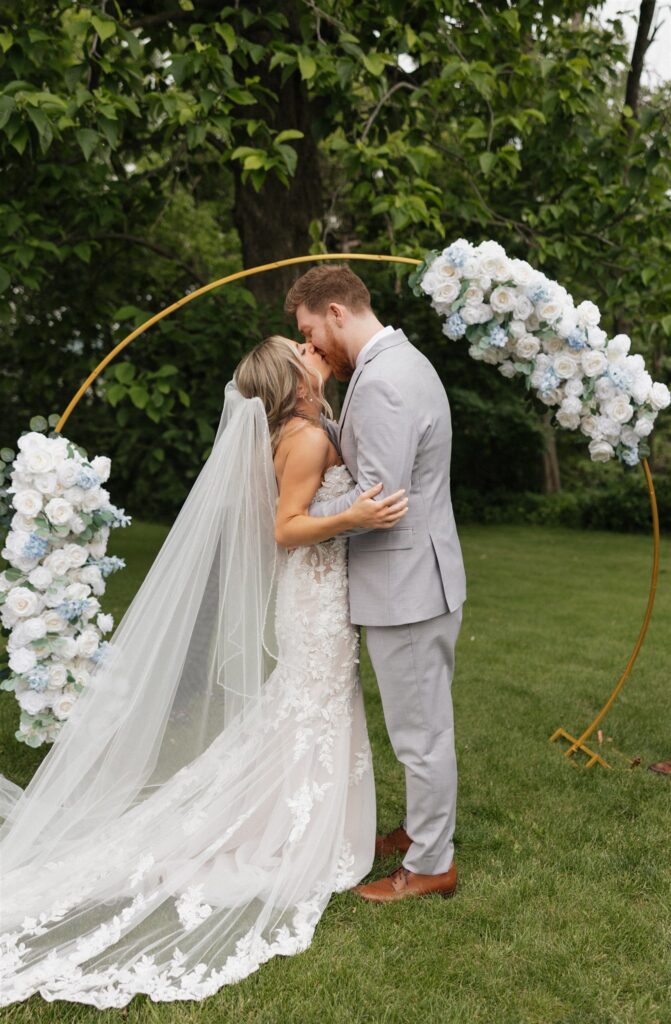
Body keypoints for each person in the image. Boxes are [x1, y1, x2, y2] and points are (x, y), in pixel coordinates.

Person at [0, 335, 408, 1008]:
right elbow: (285, 527)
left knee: (306, 708)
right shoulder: (303, 439)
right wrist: (356, 514)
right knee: (312, 706)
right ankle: (287, 832)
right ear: (293, 381)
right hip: (312, 598)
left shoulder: (299, 426)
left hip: (314, 594)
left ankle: (293, 820)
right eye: (299, 350)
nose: (311, 349)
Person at [285, 262, 467, 903]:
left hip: (409, 583)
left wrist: (299, 524)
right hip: (415, 576)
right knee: (417, 725)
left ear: (335, 311)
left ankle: (430, 866)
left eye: (310, 329)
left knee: (421, 734)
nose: (311, 344)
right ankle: (422, 833)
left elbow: (377, 501)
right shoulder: (390, 364)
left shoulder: (385, 380)